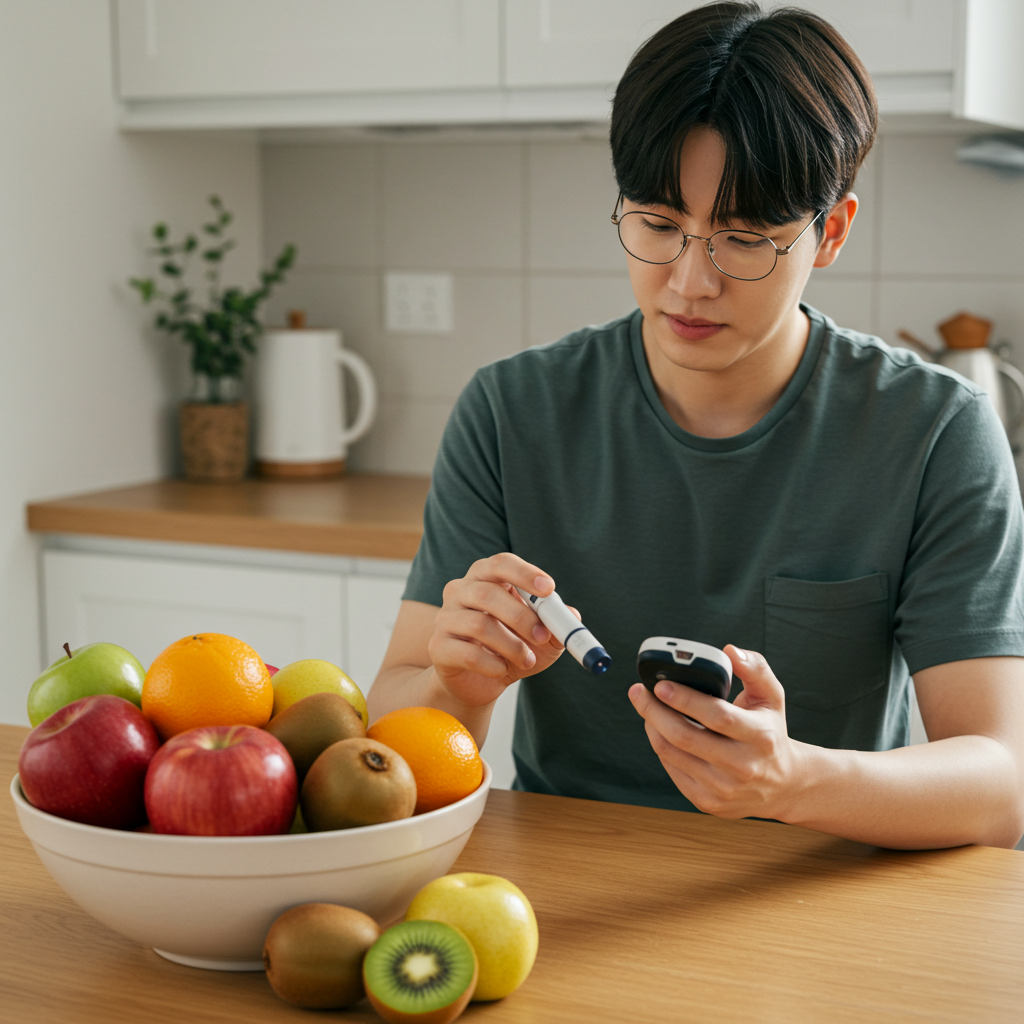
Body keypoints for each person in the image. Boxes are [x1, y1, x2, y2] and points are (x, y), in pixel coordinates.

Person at [367, 1, 1024, 850]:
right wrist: (457, 685)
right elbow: (390, 725)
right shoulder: (510, 412)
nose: (689, 283)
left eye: (743, 239)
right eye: (658, 225)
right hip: (564, 890)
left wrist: (793, 780)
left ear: (831, 234)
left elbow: (1001, 781)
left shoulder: (933, 429)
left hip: (821, 893)